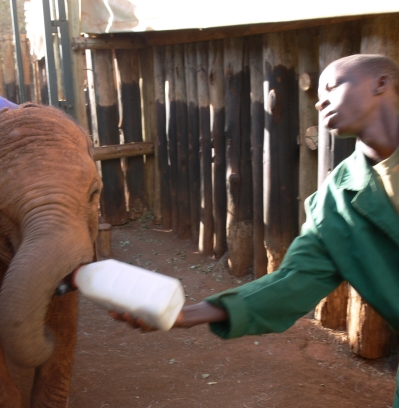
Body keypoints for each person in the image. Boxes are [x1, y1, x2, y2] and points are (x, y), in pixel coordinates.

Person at [110, 54, 399, 407]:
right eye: (317, 95)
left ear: (381, 83)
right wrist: (184, 314)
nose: (319, 101)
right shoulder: (336, 199)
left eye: (332, 86)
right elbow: (293, 281)